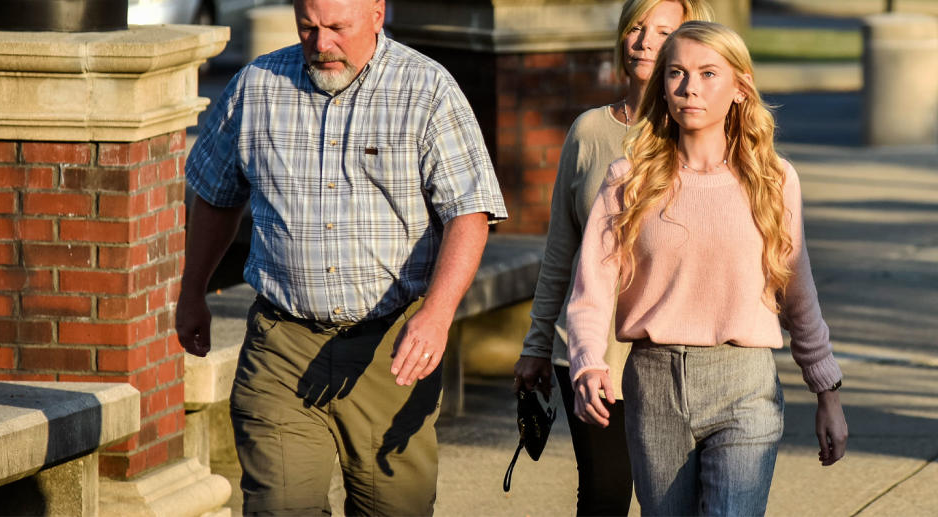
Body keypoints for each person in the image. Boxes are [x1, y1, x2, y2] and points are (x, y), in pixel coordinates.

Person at [175, 0, 507, 514]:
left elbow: (469, 212)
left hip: (390, 353)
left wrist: (436, 316)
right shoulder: (256, 86)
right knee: (279, 506)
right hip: (281, 347)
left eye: (337, 27)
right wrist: (191, 291)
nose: (322, 44)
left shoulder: (427, 90)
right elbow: (217, 195)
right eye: (308, 27)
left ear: (378, 13)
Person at [566, 21, 848, 516]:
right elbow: (593, 285)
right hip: (653, 386)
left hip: (744, 386)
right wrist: (587, 362)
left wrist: (826, 390)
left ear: (740, 88)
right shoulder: (628, 180)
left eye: (707, 73)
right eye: (676, 73)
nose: (689, 87)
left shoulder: (773, 180)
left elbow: (798, 292)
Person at [514, 1, 712, 514]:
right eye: (636, 28)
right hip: (589, 351)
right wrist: (537, 346)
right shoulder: (588, 132)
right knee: (605, 492)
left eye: (662, 31)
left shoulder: (702, 138)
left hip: (669, 354)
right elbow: (562, 251)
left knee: (672, 498)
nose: (644, 41)